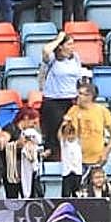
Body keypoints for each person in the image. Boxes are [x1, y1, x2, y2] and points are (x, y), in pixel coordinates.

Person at [39, 33, 86, 161]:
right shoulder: (52, 58)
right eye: (69, 44)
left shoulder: (75, 58)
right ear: (61, 46)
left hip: (71, 100)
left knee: (73, 131)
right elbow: (46, 50)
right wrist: (59, 38)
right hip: (54, 101)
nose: (72, 47)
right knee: (55, 135)